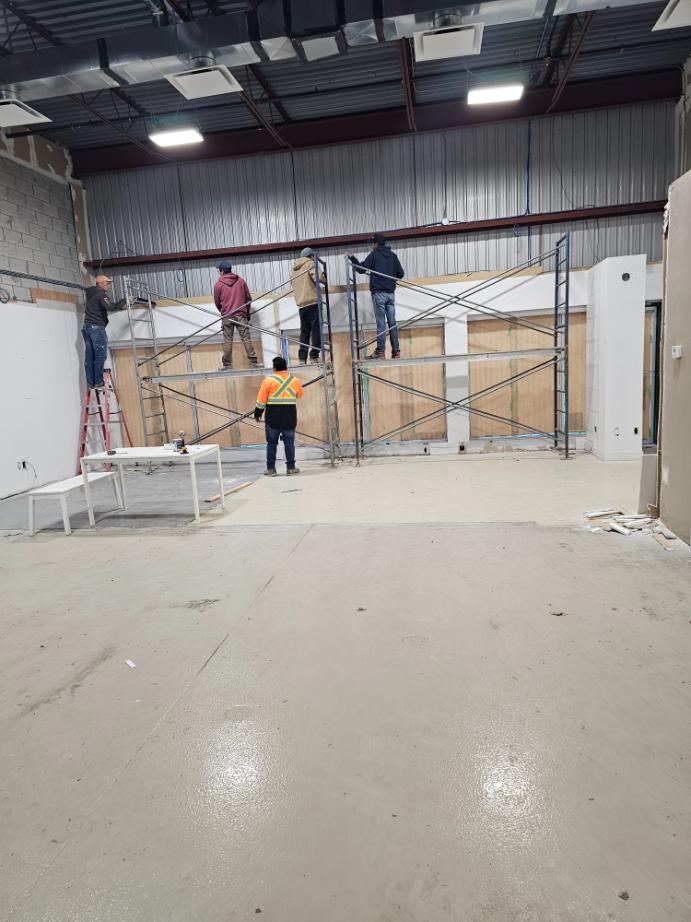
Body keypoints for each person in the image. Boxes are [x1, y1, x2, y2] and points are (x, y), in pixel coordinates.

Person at [349, 233, 405, 360]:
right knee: (392, 323)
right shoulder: (393, 256)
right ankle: (396, 351)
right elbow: (400, 274)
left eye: (372, 243)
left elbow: (361, 269)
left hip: (379, 293)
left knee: (381, 323)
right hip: (390, 294)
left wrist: (352, 258)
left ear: (375, 243)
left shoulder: (374, 255)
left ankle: (380, 352)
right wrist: (389, 275)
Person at [254, 356, 304, 476]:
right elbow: (299, 394)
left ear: (274, 368)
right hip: (289, 417)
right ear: (285, 367)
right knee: (289, 443)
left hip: (273, 419)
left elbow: (261, 400)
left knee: (271, 444)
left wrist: (258, 414)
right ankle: (291, 468)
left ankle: (271, 469)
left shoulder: (268, 381)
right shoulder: (295, 381)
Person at [82, 274, 128, 389]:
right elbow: (110, 307)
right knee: (100, 355)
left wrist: (120, 306)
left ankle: (90, 382)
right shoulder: (101, 294)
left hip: (87, 328)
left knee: (89, 356)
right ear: (101, 283)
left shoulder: (91, 294)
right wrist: (124, 301)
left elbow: (102, 307)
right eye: (107, 283)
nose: (109, 286)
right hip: (96, 328)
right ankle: (98, 382)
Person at [213, 260, 258, 370]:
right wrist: (246, 313)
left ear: (222, 271)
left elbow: (217, 302)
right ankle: (253, 363)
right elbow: (248, 299)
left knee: (228, 340)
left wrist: (223, 312)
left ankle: (227, 365)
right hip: (241, 315)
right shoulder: (241, 281)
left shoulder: (218, 285)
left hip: (227, 316)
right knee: (246, 338)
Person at [291, 246, 325, 364]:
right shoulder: (310, 263)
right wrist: (324, 278)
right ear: (310, 256)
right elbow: (318, 278)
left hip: (302, 305)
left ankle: (302, 358)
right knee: (316, 330)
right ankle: (314, 356)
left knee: (304, 332)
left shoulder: (294, 270)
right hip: (313, 301)